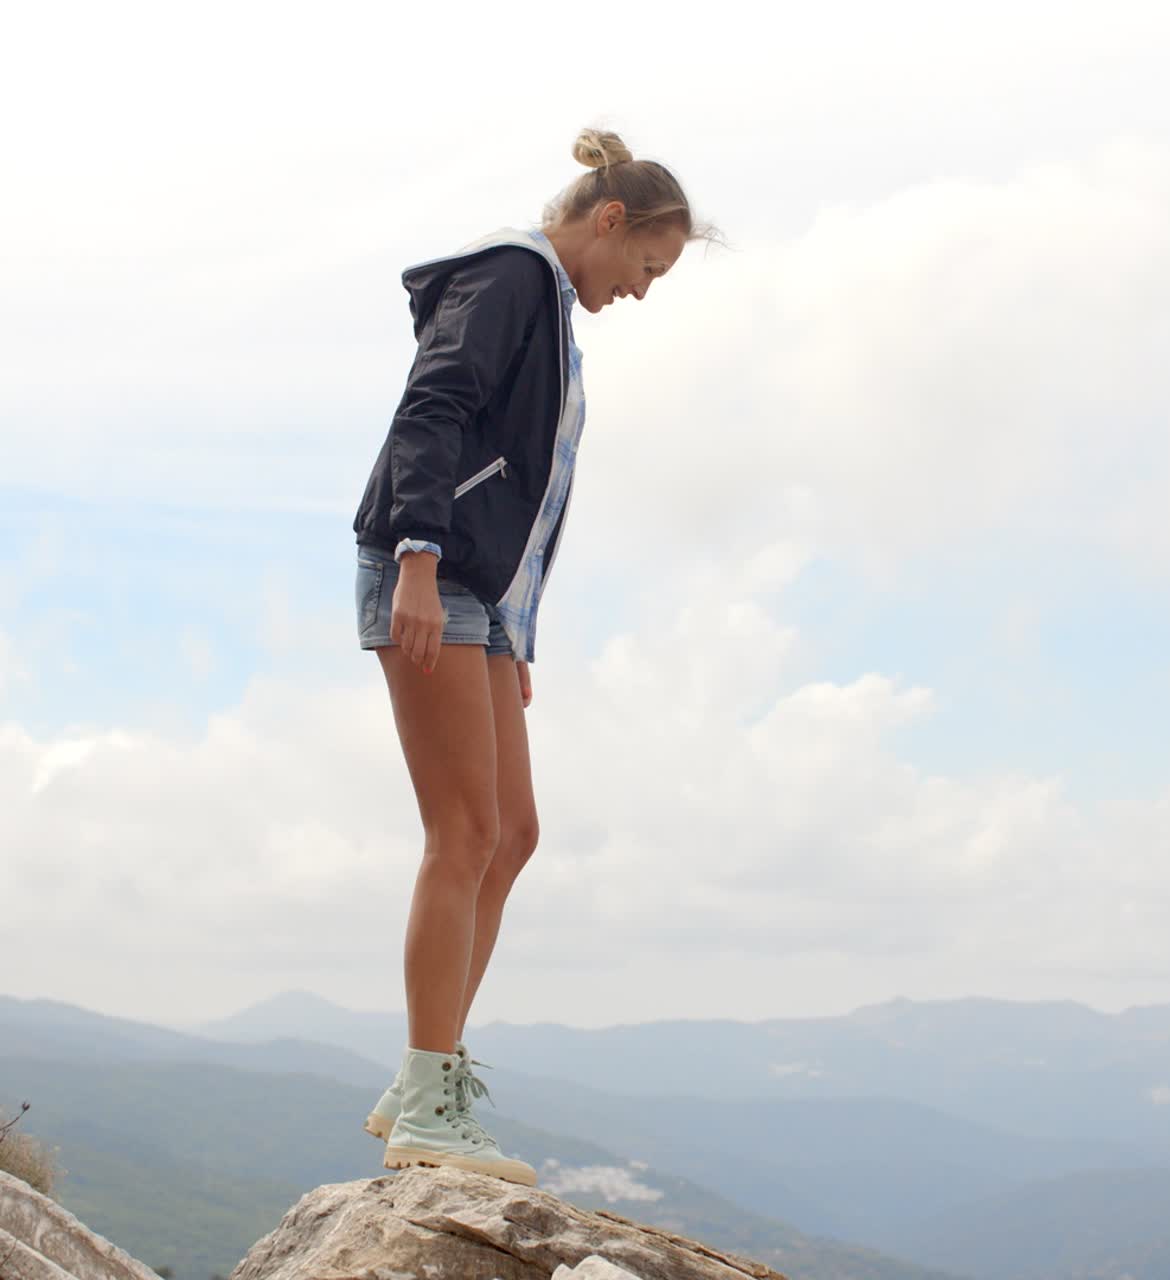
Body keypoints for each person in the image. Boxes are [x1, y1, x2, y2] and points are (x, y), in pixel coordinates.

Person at [350, 126, 722, 1185]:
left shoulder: (549, 307)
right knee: (463, 830)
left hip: (479, 594)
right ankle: (431, 1098)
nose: (642, 291)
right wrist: (418, 556)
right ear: (609, 221)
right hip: (428, 569)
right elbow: (434, 406)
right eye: (647, 266)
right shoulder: (512, 276)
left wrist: (514, 632)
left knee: (512, 832)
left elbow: (525, 487)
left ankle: (426, 1079)